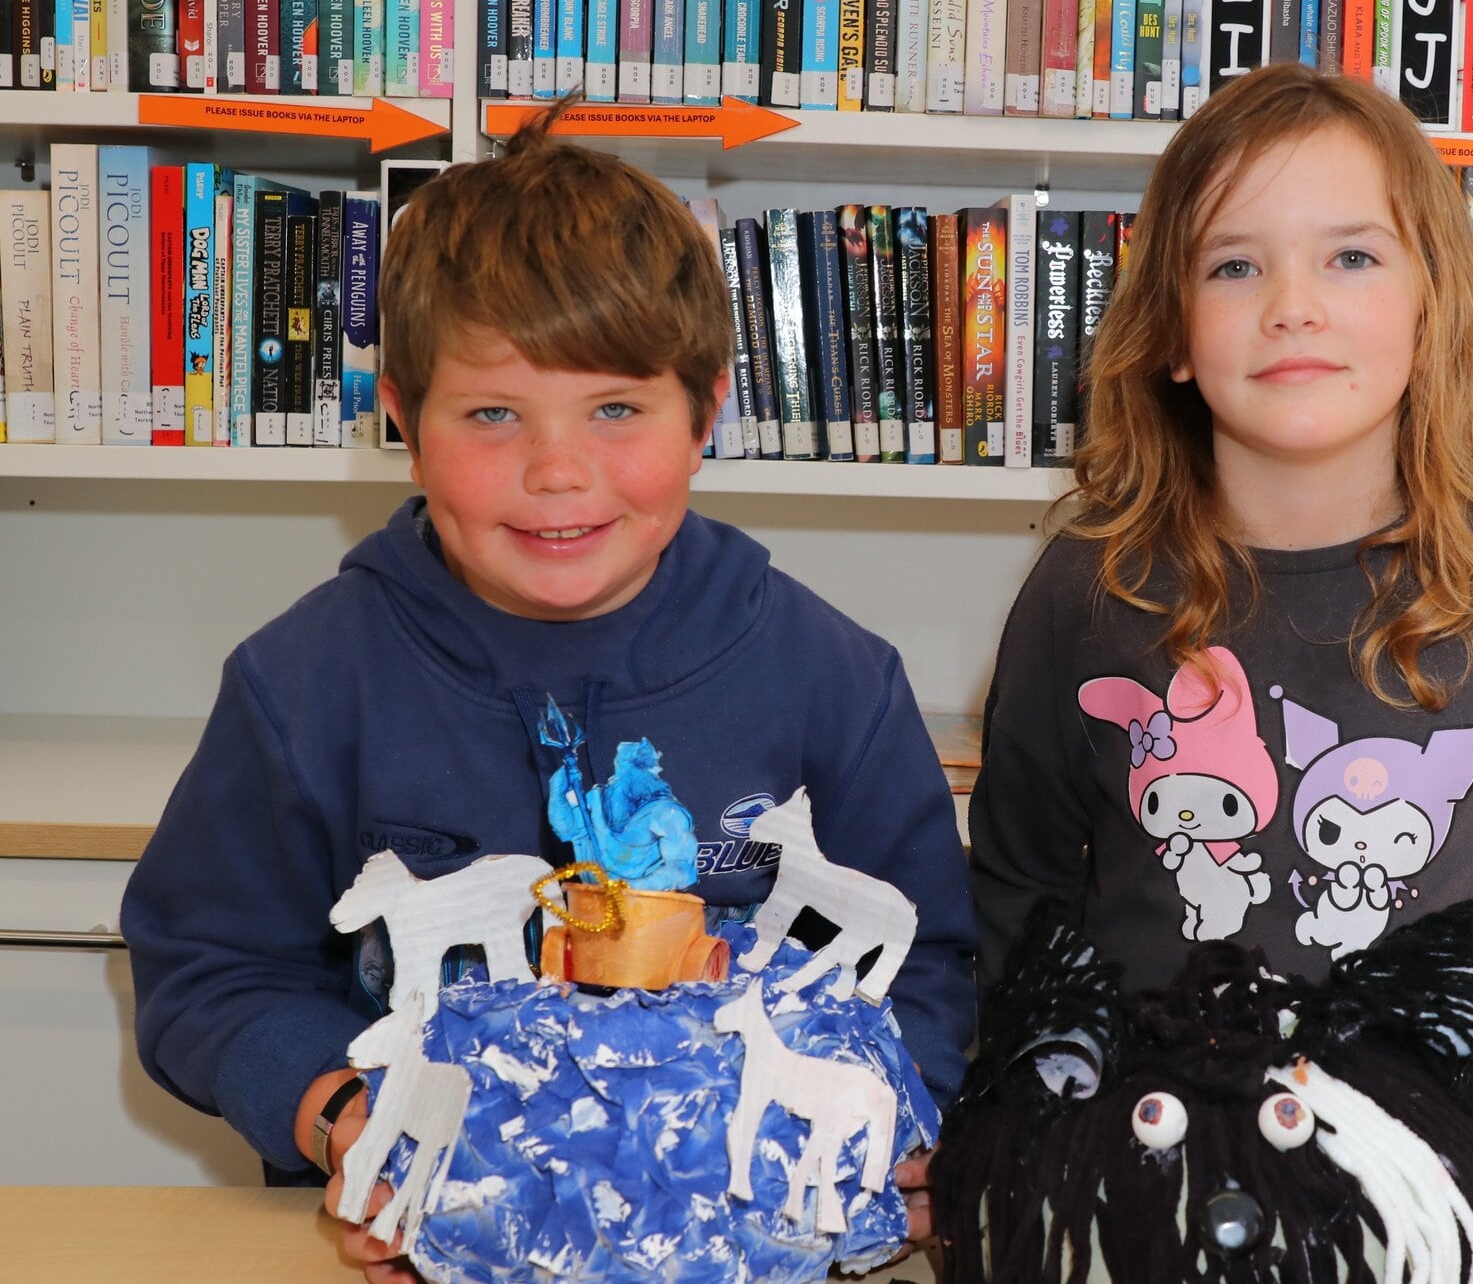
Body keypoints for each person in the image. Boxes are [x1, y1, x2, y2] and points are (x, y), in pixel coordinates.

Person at [122, 102, 973, 1280]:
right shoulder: (302, 682)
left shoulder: (835, 678)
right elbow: (207, 969)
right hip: (427, 1243)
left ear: (706, 415)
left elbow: (927, 962)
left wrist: (886, 1122)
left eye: (616, 408)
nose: (557, 470)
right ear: (400, 419)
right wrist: (340, 1114)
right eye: (491, 414)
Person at [969, 64, 1473, 1269]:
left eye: (1349, 257)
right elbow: (1018, 887)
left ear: (1431, 302)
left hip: (1427, 1170)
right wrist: (1020, 1105)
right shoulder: (1088, 589)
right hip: (1148, 1171)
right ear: (1172, 334)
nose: (1291, 304)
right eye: (1235, 265)